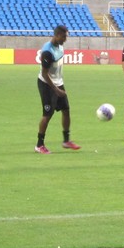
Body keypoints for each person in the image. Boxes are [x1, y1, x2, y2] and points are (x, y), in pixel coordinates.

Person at [35, 25, 81, 154]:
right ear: (57, 35)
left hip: (58, 83)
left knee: (66, 110)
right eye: (64, 36)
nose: (66, 39)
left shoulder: (60, 47)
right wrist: (56, 90)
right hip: (46, 85)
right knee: (47, 115)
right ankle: (39, 144)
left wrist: (59, 85)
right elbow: (45, 74)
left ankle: (66, 141)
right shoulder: (47, 52)